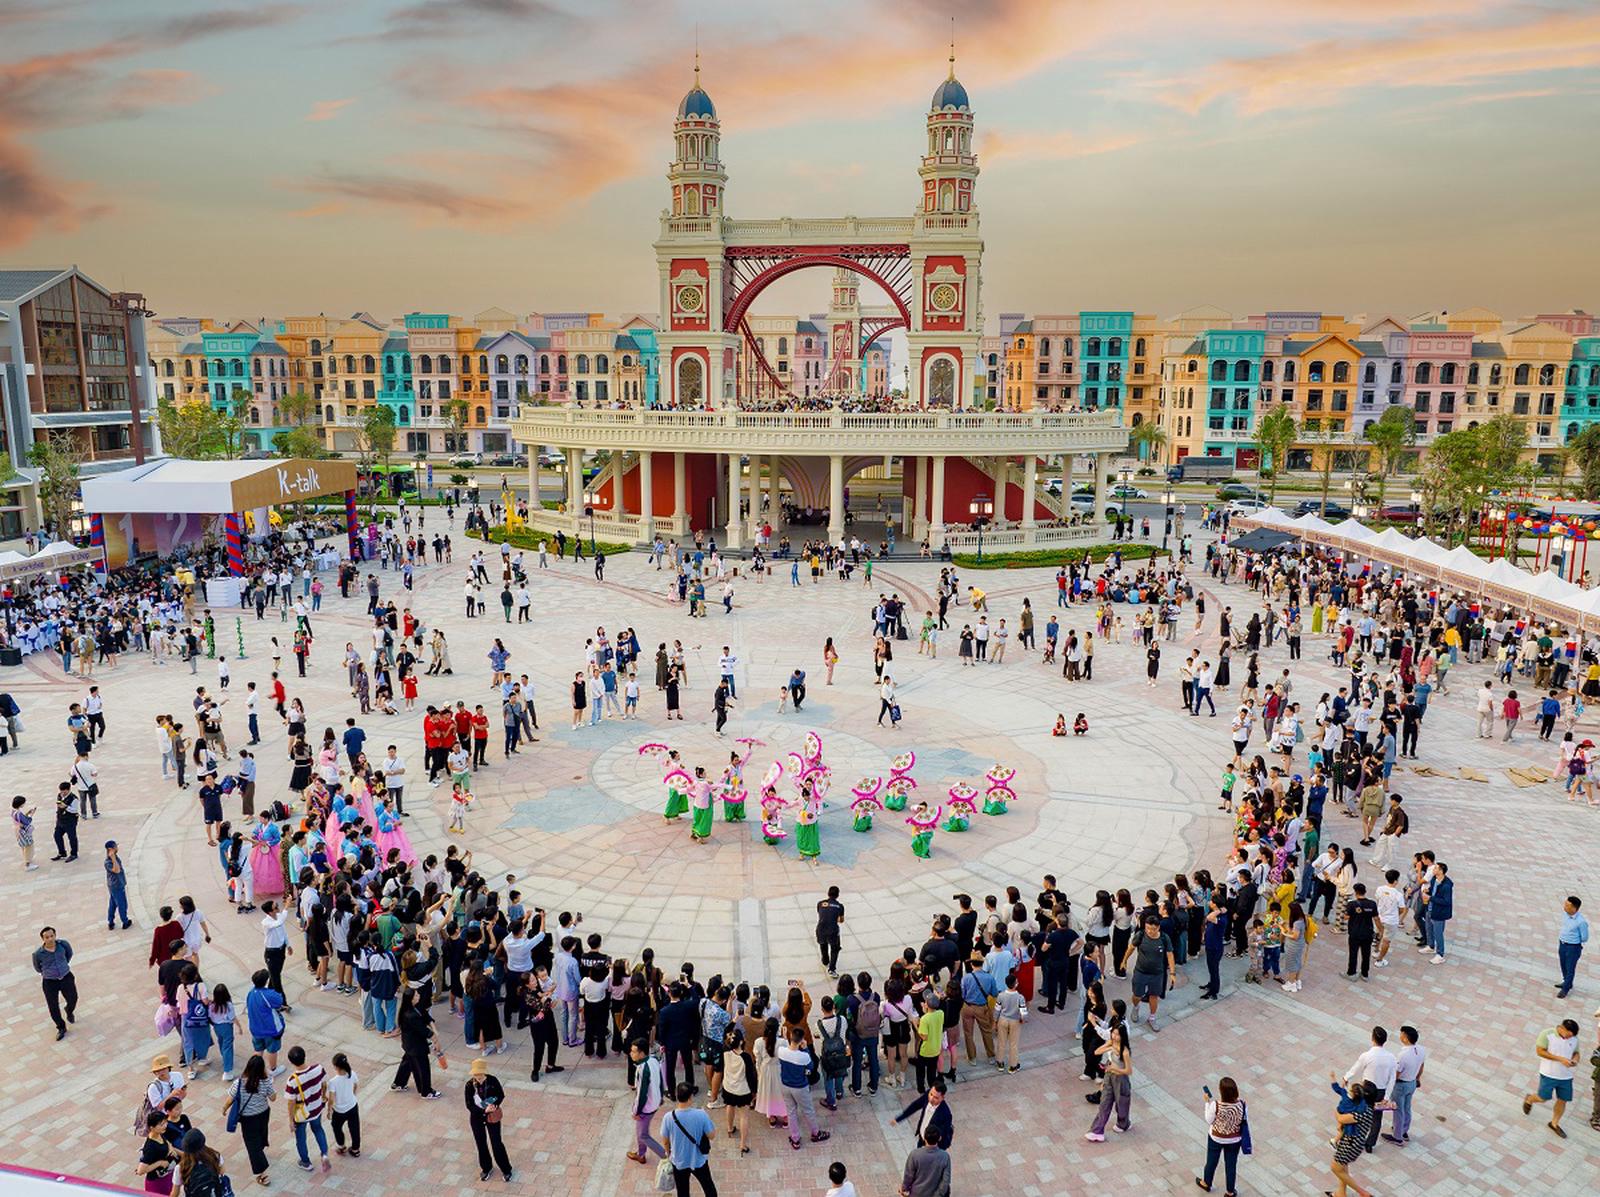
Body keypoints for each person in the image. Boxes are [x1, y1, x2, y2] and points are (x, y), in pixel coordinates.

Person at [1523, 1018, 1582, 1138]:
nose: (1569, 1038)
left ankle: (1554, 1123)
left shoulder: (1574, 1039)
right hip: (1548, 1074)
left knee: (1563, 1100)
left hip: (1566, 1077)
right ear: (1562, 1028)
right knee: (1543, 1098)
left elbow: (1576, 1053)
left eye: (1572, 1036)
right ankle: (1529, 1099)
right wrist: (1560, 1059)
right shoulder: (1547, 1034)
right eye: (1568, 1035)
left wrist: (1575, 1060)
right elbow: (1540, 1051)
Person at [661, 1081, 718, 1196]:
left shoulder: (668, 1117)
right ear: (690, 1097)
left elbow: (665, 1141)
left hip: (678, 1160)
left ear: (677, 1096)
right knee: (709, 1188)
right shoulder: (701, 1115)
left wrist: (669, 1154)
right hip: (698, 1159)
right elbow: (712, 1136)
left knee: (682, 1192)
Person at [464, 1057, 515, 1182]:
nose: (478, 1077)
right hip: (477, 1118)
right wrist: (483, 1110)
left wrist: (494, 1105)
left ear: (484, 1072)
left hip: (492, 1116)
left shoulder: (492, 1080)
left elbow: (500, 1095)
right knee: (481, 1143)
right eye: (475, 1074)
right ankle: (486, 1168)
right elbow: (469, 1105)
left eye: (480, 1074)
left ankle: (506, 1169)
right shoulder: (469, 1085)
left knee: (496, 1143)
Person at [284, 1044, 332, 1173]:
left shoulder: (292, 1081)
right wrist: (323, 1096)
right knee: (318, 1129)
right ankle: (324, 1154)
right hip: (316, 1108)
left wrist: (290, 1120)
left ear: (291, 1062)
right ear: (304, 1056)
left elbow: (291, 1102)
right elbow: (324, 1084)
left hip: (302, 1114)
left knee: (301, 1137)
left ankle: (306, 1162)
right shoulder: (318, 1069)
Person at [1195, 1076, 1246, 1194]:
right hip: (1234, 1139)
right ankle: (1230, 1192)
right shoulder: (1242, 1104)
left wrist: (1207, 1103)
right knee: (1231, 1165)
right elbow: (1243, 1119)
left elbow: (1209, 1120)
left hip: (1216, 1138)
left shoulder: (1216, 1105)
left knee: (1212, 1161)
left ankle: (1206, 1183)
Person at [1085, 1023, 1133, 1140]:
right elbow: (1097, 1052)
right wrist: (1110, 1047)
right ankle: (1097, 1131)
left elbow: (1128, 1071)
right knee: (1104, 1103)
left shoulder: (1125, 1051)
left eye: (1117, 1034)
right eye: (1113, 1033)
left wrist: (1114, 1068)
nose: (1114, 1036)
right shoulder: (1111, 1043)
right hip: (1108, 1076)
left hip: (1121, 1079)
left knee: (1121, 1104)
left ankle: (1124, 1123)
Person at [1383, 1025, 1426, 1146]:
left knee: (1398, 1110)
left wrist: (1388, 1086)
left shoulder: (1403, 1055)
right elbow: (1422, 1066)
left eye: (1401, 1034)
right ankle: (1404, 1130)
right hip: (1412, 1083)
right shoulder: (1421, 1050)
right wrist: (1417, 1078)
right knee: (1407, 1108)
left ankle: (1397, 1137)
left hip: (1401, 1085)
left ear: (1406, 1038)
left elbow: (1396, 1074)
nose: (1400, 1035)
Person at [626, 1039, 667, 1165]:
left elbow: (641, 1094)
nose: (631, 1054)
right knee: (640, 1131)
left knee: (643, 1135)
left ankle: (665, 1155)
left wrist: (636, 1111)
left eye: (633, 1052)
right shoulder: (653, 1060)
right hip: (655, 1102)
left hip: (646, 1108)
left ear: (641, 1053)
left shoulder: (642, 1069)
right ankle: (641, 1154)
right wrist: (660, 1097)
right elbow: (660, 1080)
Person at [32, 925, 76, 1040]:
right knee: (53, 1007)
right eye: (47, 937)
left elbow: (69, 954)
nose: (50, 939)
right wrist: (48, 973)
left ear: (55, 935)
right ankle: (61, 1027)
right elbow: (37, 968)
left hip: (66, 977)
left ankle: (69, 1010)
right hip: (50, 982)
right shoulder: (38, 954)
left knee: (73, 998)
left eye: (52, 936)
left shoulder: (63, 945)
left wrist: (63, 966)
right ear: (43, 939)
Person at [892, 1078, 953, 1149]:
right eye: (931, 1094)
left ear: (942, 1098)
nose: (931, 1099)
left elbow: (944, 1135)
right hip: (921, 1139)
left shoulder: (946, 1114)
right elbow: (915, 1106)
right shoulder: (927, 1095)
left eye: (936, 1097)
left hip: (932, 1147)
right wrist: (899, 1118)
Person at [899, 1125, 953, 1197]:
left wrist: (904, 1188)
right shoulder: (944, 1156)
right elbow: (946, 1181)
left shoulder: (915, 1155)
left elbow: (908, 1176)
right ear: (939, 1138)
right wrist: (938, 1194)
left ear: (924, 1138)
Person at [328, 1052, 361, 1157]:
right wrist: (353, 1095)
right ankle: (355, 1149)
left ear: (335, 1066)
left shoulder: (333, 1082)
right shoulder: (352, 1074)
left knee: (336, 1127)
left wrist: (329, 1111)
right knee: (355, 1128)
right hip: (352, 1106)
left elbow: (331, 1099)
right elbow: (355, 1086)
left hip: (339, 1111)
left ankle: (341, 1146)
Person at [1557, 895, 1588, 999]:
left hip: (1572, 947)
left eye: (1567, 905)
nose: (1564, 907)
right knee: (1563, 965)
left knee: (1570, 968)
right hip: (1562, 944)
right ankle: (1567, 982)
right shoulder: (1565, 915)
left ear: (1574, 908)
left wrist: (1573, 941)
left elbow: (1584, 937)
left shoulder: (1581, 922)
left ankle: (1565, 989)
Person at [816, 885, 845, 977]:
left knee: (823, 944)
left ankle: (825, 960)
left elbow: (821, 914)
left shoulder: (820, 903)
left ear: (828, 893)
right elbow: (841, 920)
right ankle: (832, 969)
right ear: (838, 895)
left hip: (820, 929)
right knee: (835, 949)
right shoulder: (840, 906)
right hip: (832, 931)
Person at [105, 839, 132, 930]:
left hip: (116, 885)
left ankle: (110, 921)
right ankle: (125, 921)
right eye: (115, 846)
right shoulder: (108, 862)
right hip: (116, 886)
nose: (117, 848)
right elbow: (117, 870)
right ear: (111, 849)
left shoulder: (115, 857)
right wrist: (113, 858)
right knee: (122, 904)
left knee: (113, 904)